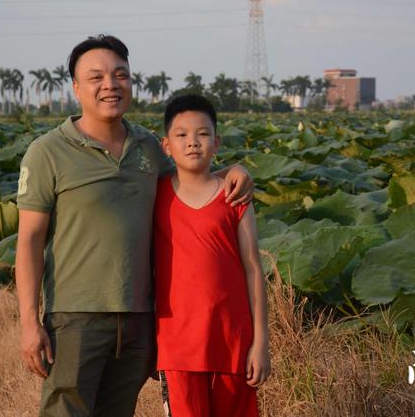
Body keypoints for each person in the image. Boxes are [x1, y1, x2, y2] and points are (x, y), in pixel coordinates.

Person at [15, 35, 253, 417]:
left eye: (120, 75)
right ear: (76, 88)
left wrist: (233, 170)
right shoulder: (48, 152)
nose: (110, 85)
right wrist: (30, 322)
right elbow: (29, 241)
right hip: (76, 317)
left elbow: (191, 180)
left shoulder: (147, 147)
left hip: (139, 316)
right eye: (96, 77)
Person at [154, 94, 271, 417]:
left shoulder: (235, 196)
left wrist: (260, 343)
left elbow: (252, 269)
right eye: (181, 135)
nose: (192, 143)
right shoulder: (155, 195)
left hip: (233, 344)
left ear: (216, 142)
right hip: (177, 349)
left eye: (202, 134)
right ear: (166, 146)